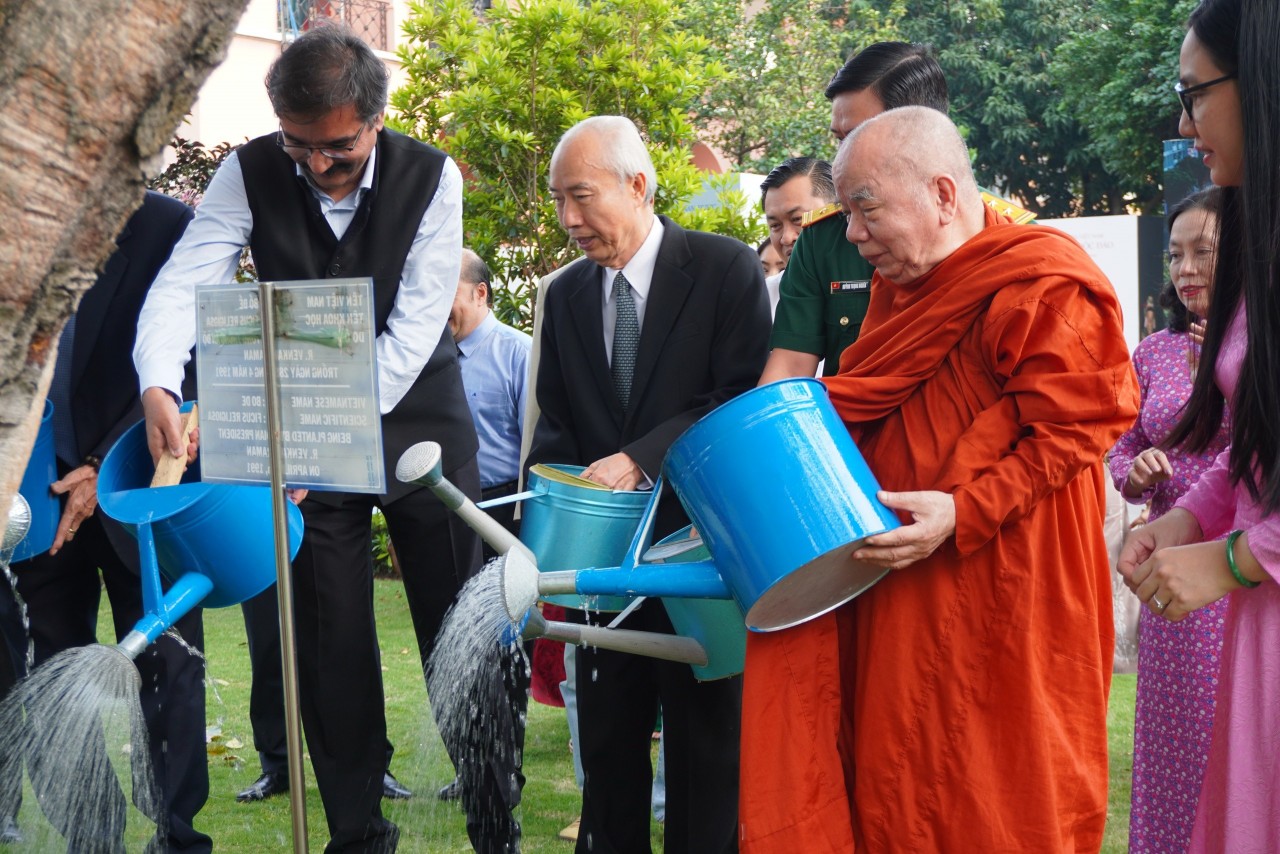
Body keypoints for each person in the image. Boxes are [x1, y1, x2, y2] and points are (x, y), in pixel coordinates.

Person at [130, 25, 505, 852]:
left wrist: (310, 436)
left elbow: (412, 334)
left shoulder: (432, 177)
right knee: (328, 642)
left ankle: (494, 822)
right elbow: (188, 278)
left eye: (335, 146)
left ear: (375, 119)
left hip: (418, 431)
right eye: (298, 146)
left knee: (463, 630)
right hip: (303, 435)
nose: (317, 164)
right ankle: (356, 832)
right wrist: (158, 377)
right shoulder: (250, 169)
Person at [737, 106, 1139, 851]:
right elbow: (874, 400)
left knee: (996, 792)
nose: (851, 237)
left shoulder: (1042, 281)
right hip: (899, 587)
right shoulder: (900, 290)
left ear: (944, 195)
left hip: (1010, 589)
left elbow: (1078, 427)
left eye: (865, 211)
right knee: (895, 778)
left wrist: (964, 510)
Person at [529, 115, 770, 853]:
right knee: (606, 752)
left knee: (707, 755)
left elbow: (738, 399)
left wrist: (640, 457)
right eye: (558, 201)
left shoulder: (725, 268)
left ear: (638, 186)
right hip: (605, 568)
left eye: (581, 197)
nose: (568, 220)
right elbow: (559, 427)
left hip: (702, 555)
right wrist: (546, 539)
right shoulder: (566, 295)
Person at [0, 191, 210, 852]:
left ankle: (176, 837)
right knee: (50, 675)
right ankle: (93, 836)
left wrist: (98, 467)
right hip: (34, 495)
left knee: (171, 672)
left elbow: (185, 359)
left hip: (139, 484)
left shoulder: (169, 226)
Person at [1119, 2, 1280, 849]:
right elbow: (1263, 449)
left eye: (1195, 94)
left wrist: (1233, 558)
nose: (1184, 124)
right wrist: (1191, 516)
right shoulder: (1262, 246)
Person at [1108, 187, 1231, 853]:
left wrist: (1234, 362)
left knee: (1232, 739)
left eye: (1204, 252)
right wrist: (1137, 470)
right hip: (1163, 577)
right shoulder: (1153, 352)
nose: (1185, 268)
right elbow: (1119, 445)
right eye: (1177, 254)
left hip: (1238, 575)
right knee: (1171, 744)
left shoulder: (1258, 350)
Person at [759, 42, 947, 383]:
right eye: (839, 140)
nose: (843, 158)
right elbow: (788, 370)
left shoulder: (1000, 238)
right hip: (848, 432)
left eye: (859, 136)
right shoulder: (822, 240)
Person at [450, 248, 533, 552]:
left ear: (480, 293)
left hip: (502, 508)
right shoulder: (425, 357)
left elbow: (536, 450)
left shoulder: (519, 354)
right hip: (444, 510)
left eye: (447, 291)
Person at [758, 158, 834, 316]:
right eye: (775, 226)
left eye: (797, 219)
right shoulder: (761, 299)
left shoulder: (878, 285)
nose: (786, 238)